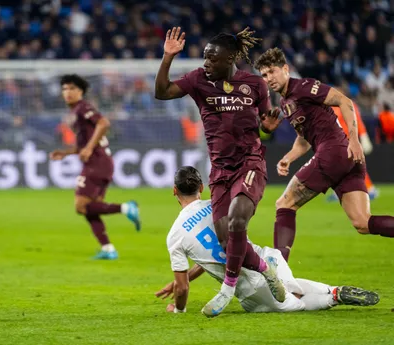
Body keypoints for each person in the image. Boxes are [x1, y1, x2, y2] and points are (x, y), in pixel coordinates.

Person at [155, 27, 286, 317]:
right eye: (205, 58)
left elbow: (264, 126)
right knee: (227, 240)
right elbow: (162, 92)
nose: (206, 64)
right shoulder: (199, 80)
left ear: (230, 58)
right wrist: (167, 57)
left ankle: (226, 290)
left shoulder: (254, 84)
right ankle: (266, 268)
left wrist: (267, 130)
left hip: (250, 163)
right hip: (220, 171)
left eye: (212, 59)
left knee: (238, 219)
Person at [155, 166, 379, 314]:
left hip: (250, 287)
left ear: (174, 191)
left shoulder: (175, 235)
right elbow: (223, 249)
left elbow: (182, 289)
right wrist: (183, 280)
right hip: (266, 257)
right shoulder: (217, 206)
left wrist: (178, 309)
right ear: (201, 188)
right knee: (292, 285)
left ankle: (333, 298)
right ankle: (333, 290)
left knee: (298, 304)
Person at [254, 48, 394, 262]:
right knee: (363, 223)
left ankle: (278, 271)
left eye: (272, 72)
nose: (269, 78)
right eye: (264, 75)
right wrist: (289, 158)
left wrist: (354, 139)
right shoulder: (285, 102)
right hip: (344, 157)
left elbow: (344, 101)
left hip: (334, 151)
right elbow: (304, 139)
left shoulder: (303, 87)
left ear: (285, 69)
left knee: (284, 204)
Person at [49, 74, 141, 260]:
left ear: (81, 91)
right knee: (91, 207)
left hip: (97, 163)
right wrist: (65, 153)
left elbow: (104, 123)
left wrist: (90, 148)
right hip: (102, 162)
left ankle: (126, 208)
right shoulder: (76, 112)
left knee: (80, 206)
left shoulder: (83, 107)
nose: (68, 92)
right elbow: (84, 145)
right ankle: (108, 249)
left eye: (72, 89)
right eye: (65, 89)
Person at [328, 100, 379, 201]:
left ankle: (370, 189)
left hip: (348, 141)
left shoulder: (347, 103)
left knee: (352, 165)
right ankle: (340, 191)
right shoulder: (329, 105)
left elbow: (357, 120)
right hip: (336, 141)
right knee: (340, 167)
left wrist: (364, 136)